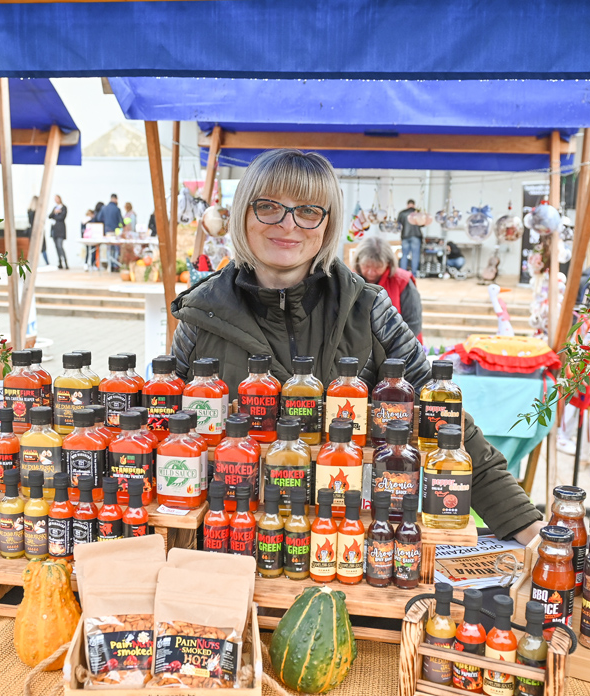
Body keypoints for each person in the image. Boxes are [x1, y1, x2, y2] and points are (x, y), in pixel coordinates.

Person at [170, 149, 542, 543]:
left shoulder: (368, 309)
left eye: (308, 210)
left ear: (328, 223)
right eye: (268, 207)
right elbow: (161, 433)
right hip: (226, 544)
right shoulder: (200, 313)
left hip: (346, 546)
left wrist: (524, 523)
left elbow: (445, 421)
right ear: (243, 213)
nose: (288, 224)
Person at [354, 235, 422, 340]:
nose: (371, 272)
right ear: (358, 262)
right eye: (366, 266)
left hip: (400, 344)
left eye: (378, 267)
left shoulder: (402, 281)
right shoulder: (351, 282)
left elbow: (414, 323)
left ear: (388, 263)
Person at [96, 194, 124, 270]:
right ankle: (115, 265)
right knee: (115, 248)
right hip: (115, 231)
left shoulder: (104, 208)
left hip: (106, 231)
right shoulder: (117, 209)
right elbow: (121, 221)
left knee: (108, 248)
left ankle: (109, 265)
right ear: (116, 199)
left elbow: (99, 218)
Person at [396, 199, 423, 276]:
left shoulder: (402, 213)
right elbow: (423, 224)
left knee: (404, 255)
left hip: (405, 236)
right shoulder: (418, 213)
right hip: (416, 236)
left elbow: (398, 225)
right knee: (415, 255)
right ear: (414, 205)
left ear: (407, 205)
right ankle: (414, 274)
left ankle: (402, 274)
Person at [26, 195, 49, 266]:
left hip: (32, 231)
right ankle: (47, 263)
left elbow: (30, 222)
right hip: (38, 230)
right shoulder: (37, 212)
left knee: (33, 248)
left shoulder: (29, 211)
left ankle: (32, 263)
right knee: (43, 248)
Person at [49, 195, 68, 270]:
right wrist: (55, 212)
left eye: (57, 198)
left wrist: (55, 216)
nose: (56, 200)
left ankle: (65, 262)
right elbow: (49, 216)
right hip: (54, 230)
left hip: (61, 230)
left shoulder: (64, 208)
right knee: (56, 247)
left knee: (60, 246)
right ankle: (60, 263)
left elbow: (62, 217)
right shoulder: (55, 208)